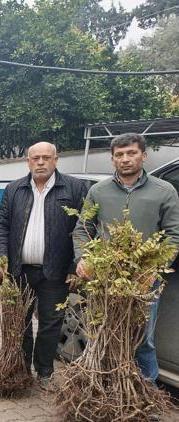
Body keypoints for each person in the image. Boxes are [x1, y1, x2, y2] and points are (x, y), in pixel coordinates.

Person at [73, 133, 179, 383]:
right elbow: (82, 228)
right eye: (119, 155)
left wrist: (155, 270)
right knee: (101, 333)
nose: (125, 159)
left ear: (144, 155)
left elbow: (174, 235)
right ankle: (102, 388)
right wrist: (84, 258)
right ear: (112, 160)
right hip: (105, 277)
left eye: (131, 153)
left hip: (144, 279)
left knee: (142, 340)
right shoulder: (98, 191)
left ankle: (144, 395)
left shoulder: (164, 191)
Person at [0, 141, 88, 390]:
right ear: (28, 161)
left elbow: (84, 228)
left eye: (46, 157)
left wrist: (74, 266)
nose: (41, 162)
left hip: (55, 272)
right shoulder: (14, 189)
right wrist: (1, 258)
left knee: (51, 323)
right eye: (35, 158)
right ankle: (21, 369)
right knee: (19, 322)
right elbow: (2, 225)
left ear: (56, 159)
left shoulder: (75, 188)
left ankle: (44, 372)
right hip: (19, 270)